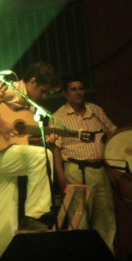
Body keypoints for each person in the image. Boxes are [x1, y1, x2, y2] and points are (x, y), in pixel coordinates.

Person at [0, 62, 58, 261]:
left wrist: (39, 138)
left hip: (0, 155)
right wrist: (1, 122)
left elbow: (17, 137)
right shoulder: (14, 90)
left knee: (4, 216)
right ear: (33, 81)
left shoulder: (27, 107)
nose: (43, 97)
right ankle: (36, 215)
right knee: (43, 157)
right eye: (43, 91)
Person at [51, 77, 118, 250]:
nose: (78, 92)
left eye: (81, 88)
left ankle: (107, 260)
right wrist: (60, 176)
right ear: (65, 94)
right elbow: (56, 149)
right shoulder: (58, 117)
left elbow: (114, 132)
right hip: (75, 170)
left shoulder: (95, 110)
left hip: (99, 170)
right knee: (79, 219)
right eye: (73, 89)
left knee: (106, 218)